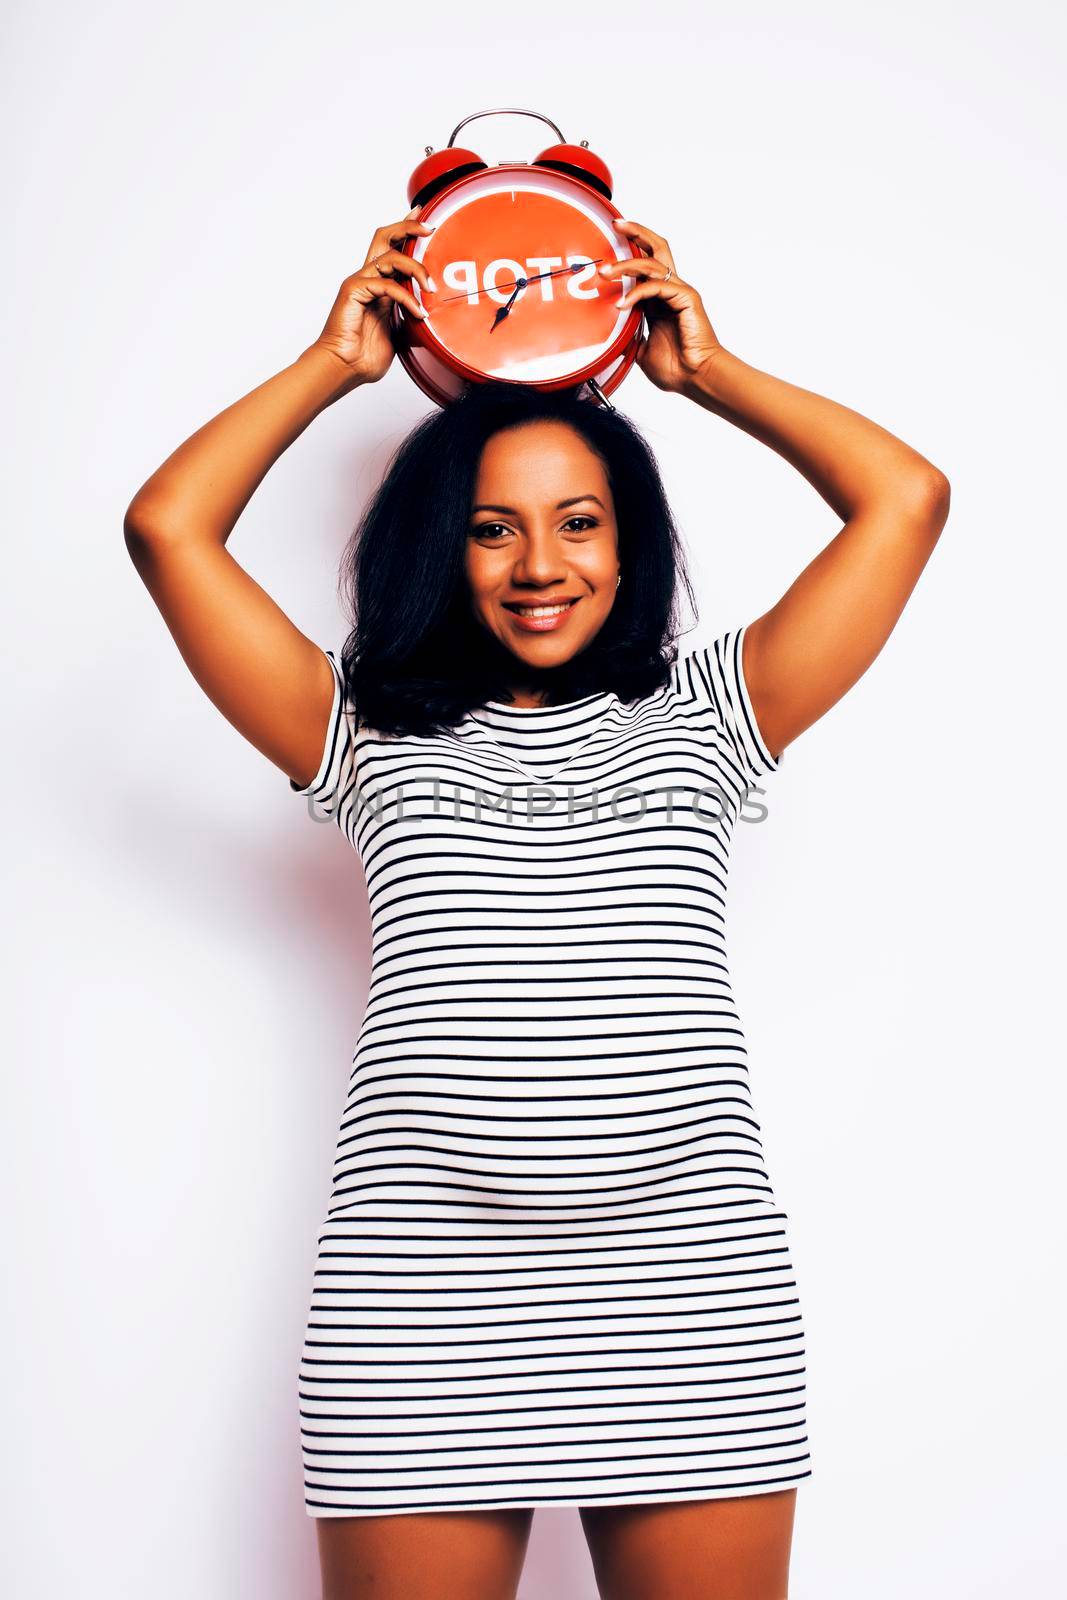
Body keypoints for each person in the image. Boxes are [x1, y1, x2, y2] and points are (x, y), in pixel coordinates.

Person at [124, 206, 950, 1600]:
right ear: (440, 549)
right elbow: (168, 527)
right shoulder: (360, 726)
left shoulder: (710, 713)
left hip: (689, 1292)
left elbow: (906, 499)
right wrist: (337, 363)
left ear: (631, 545)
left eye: (581, 522)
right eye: (492, 531)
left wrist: (707, 374)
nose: (540, 564)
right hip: (421, 1298)